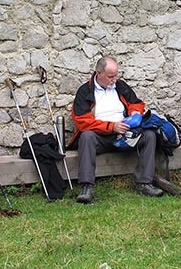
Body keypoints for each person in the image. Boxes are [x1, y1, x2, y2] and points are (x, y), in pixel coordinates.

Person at [68, 56, 163, 203]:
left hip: (125, 134)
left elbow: (136, 103)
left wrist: (135, 112)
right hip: (101, 136)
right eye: (110, 76)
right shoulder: (84, 91)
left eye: (116, 75)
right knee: (86, 136)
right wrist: (112, 127)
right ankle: (86, 187)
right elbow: (83, 122)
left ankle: (144, 183)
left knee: (150, 135)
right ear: (99, 74)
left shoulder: (120, 86)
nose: (114, 79)